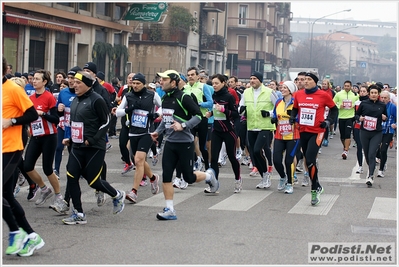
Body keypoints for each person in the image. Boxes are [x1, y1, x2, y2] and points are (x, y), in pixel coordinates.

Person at [150, 70, 219, 220]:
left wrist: (184, 125)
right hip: (170, 142)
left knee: (188, 177)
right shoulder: (165, 98)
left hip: (185, 143)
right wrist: (157, 131)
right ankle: (170, 209)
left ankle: (209, 175)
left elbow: (198, 116)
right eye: (160, 79)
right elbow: (166, 119)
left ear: (173, 82)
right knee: (166, 176)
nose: (161, 82)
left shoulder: (184, 97)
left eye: (164, 79)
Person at [60, 71, 126, 224]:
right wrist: (70, 138)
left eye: (78, 82)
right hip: (77, 145)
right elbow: (78, 123)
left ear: (88, 84)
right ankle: (79, 213)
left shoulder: (97, 100)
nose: (73, 84)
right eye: (73, 82)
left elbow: (107, 121)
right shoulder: (76, 100)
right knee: (71, 176)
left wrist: (93, 139)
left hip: (94, 146)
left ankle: (117, 195)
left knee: (93, 181)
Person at [2, 56, 45, 257]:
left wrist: (11, 121)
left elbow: (33, 115)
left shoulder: (12, 89)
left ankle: (15, 231)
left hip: (11, 148)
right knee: (7, 195)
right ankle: (31, 235)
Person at [289, 71, 338, 205]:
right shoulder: (298, 94)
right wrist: (293, 118)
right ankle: (317, 185)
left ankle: (314, 189)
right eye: (304, 79)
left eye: (308, 79)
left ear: (315, 82)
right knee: (307, 159)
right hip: (303, 130)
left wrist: (328, 121)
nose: (305, 81)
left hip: (317, 131)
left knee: (310, 159)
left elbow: (335, 110)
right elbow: (295, 108)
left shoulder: (323, 95)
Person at [113, 73, 161, 203]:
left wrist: (156, 114)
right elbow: (118, 112)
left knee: (139, 159)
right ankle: (152, 178)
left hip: (147, 131)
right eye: (133, 83)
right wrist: (129, 110)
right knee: (137, 160)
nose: (134, 85)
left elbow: (163, 107)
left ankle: (134, 192)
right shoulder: (128, 96)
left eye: (137, 83)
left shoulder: (152, 95)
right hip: (133, 132)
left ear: (143, 84)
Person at [24, 69, 64, 209]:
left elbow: (56, 119)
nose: (33, 81)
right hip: (35, 136)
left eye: (37, 79)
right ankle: (44, 189)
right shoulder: (30, 98)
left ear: (45, 82)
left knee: (48, 168)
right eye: (33, 79)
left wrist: (43, 114)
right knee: (27, 166)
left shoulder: (49, 97)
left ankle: (58, 195)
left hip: (49, 136)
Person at [239, 71, 278, 189]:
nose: (252, 81)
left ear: (260, 80)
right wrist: (241, 110)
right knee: (253, 153)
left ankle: (266, 174)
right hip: (251, 126)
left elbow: (278, 107)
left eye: (255, 78)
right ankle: (264, 176)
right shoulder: (246, 92)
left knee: (257, 150)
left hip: (265, 126)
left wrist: (269, 113)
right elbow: (240, 106)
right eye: (251, 78)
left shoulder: (269, 92)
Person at [205, 74, 241, 193]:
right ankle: (214, 185)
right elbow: (216, 108)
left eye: (216, 83)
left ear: (223, 83)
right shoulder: (214, 95)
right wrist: (211, 112)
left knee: (232, 157)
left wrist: (224, 110)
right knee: (214, 159)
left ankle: (237, 180)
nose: (214, 85)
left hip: (229, 131)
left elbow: (236, 114)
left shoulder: (229, 96)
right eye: (213, 83)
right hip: (217, 130)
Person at [271, 81, 300, 194]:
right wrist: (273, 118)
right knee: (276, 160)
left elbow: (300, 117)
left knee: (289, 161)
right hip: (280, 134)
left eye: (285, 88)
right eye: (281, 87)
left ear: (291, 90)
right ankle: (283, 177)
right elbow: (275, 114)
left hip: (293, 135)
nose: (282, 89)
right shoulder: (278, 102)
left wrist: (294, 119)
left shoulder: (296, 102)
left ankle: (290, 183)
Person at [355, 84, 387, 186]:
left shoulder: (382, 105)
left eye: (375, 93)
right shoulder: (364, 103)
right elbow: (356, 115)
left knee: (372, 153)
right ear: (369, 94)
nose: (373, 95)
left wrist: (384, 117)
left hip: (376, 132)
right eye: (372, 93)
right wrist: (359, 118)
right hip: (364, 132)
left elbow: (386, 116)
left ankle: (370, 176)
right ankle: (371, 168)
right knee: (367, 154)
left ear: (378, 94)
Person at [185, 67, 213, 171]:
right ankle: (195, 162)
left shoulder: (203, 86)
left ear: (197, 76)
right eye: (189, 75)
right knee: (189, 143)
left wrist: (198, 104)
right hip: (189, 120)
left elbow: (210, 102)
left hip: (201, 119)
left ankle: (207, 166)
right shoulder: (185, 87)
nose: (190, 77)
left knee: (202, 146)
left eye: (192, 75)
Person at [333, 80, 359, 159]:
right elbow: (333, 103)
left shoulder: (355, 95)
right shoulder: (339, 94)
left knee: (348, 134)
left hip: (350, 117)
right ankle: (345, 146)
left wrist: (353, 105)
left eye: (348, 86)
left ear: (351, 87)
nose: (347, 87)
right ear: (343, 86)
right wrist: (338, 106)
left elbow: (358, 104)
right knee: (342, 135)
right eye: (345, 86)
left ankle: (346, 150)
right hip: (341, 117)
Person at [376, 91, 396, 177]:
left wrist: (396, 125)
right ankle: (382, 160)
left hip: (388, 130)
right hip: (378, 130)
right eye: (382, 98)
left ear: (389, 99)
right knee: (377, 150)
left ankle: (381, 169)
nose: (383, 99)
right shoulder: (377, 106)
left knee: (383, 149)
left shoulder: (393, 107)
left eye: (385, 98)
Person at [353, 85, 369, 174]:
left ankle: (371, 164)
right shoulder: (357, 102)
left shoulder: (371, 102)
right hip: (358, 126)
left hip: (368, 127)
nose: (362, 92)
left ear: (367, 92)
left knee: (368, 148)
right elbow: (355, 114)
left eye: (364, 91)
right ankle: (360, 166)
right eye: (361, 91)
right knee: (359, 146)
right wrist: (357, 118)